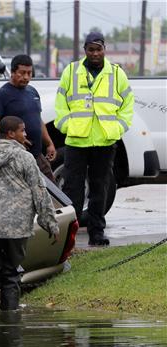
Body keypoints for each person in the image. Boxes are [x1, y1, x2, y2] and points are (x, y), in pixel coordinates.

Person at [0, 116, 60, 312]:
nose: (25, 135)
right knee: (11, 273)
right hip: (16, 229)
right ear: (11, 133)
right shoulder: (24, 158)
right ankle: (10, 321)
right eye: (22, 131)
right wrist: (50, 223)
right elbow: (39, 192)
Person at [55, 32, 134, 246]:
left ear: (104, 49)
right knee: (73, 189)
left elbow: (128, 104)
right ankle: (67, 237)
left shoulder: (117, 74)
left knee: (101, 188)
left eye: (99, 49)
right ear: (85, 50)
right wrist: (66, 125)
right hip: (76, 142)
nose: (95, 53)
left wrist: (118, 129)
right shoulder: (71, 71)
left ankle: (96, 233)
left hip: (105, 142)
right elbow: (60, 103)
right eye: (91, 49)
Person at [0, 54, 57, 182]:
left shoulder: (32, 92)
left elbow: (38, 120)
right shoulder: (1, 95)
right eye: (22, 73)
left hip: (37, 155)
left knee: (53, 193)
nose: (26, 77)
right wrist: (13, 142)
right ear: (12, 72)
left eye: (29, 73)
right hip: (17, 159)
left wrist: (49, 143)